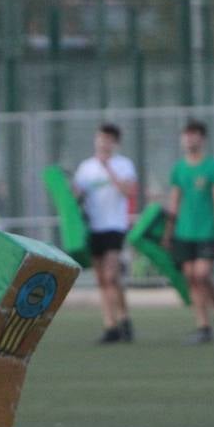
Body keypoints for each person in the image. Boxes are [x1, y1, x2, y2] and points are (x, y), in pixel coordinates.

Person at [162, 119, 214, 344]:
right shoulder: (178, 169)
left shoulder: (213, 168)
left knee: (202, 274)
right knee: (191, 277)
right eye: (186, 134)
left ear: (202, 138)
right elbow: (174, 201)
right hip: (184, 232)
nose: (189, 139)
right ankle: (203, 326)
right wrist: (168, 232)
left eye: (194, 134)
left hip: (206, 232)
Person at [72, 123, 137, 344]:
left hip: (115, 226)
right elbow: (77, 195)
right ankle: (112, 323)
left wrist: (109, 169)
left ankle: (121, 320)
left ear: (115, 143)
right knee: (103, 279)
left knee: (111, 275)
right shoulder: (86, 168)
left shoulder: (124, 165)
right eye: (100, 138)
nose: (103, 143)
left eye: (108, 139)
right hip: (94, 227)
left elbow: (128, 191)